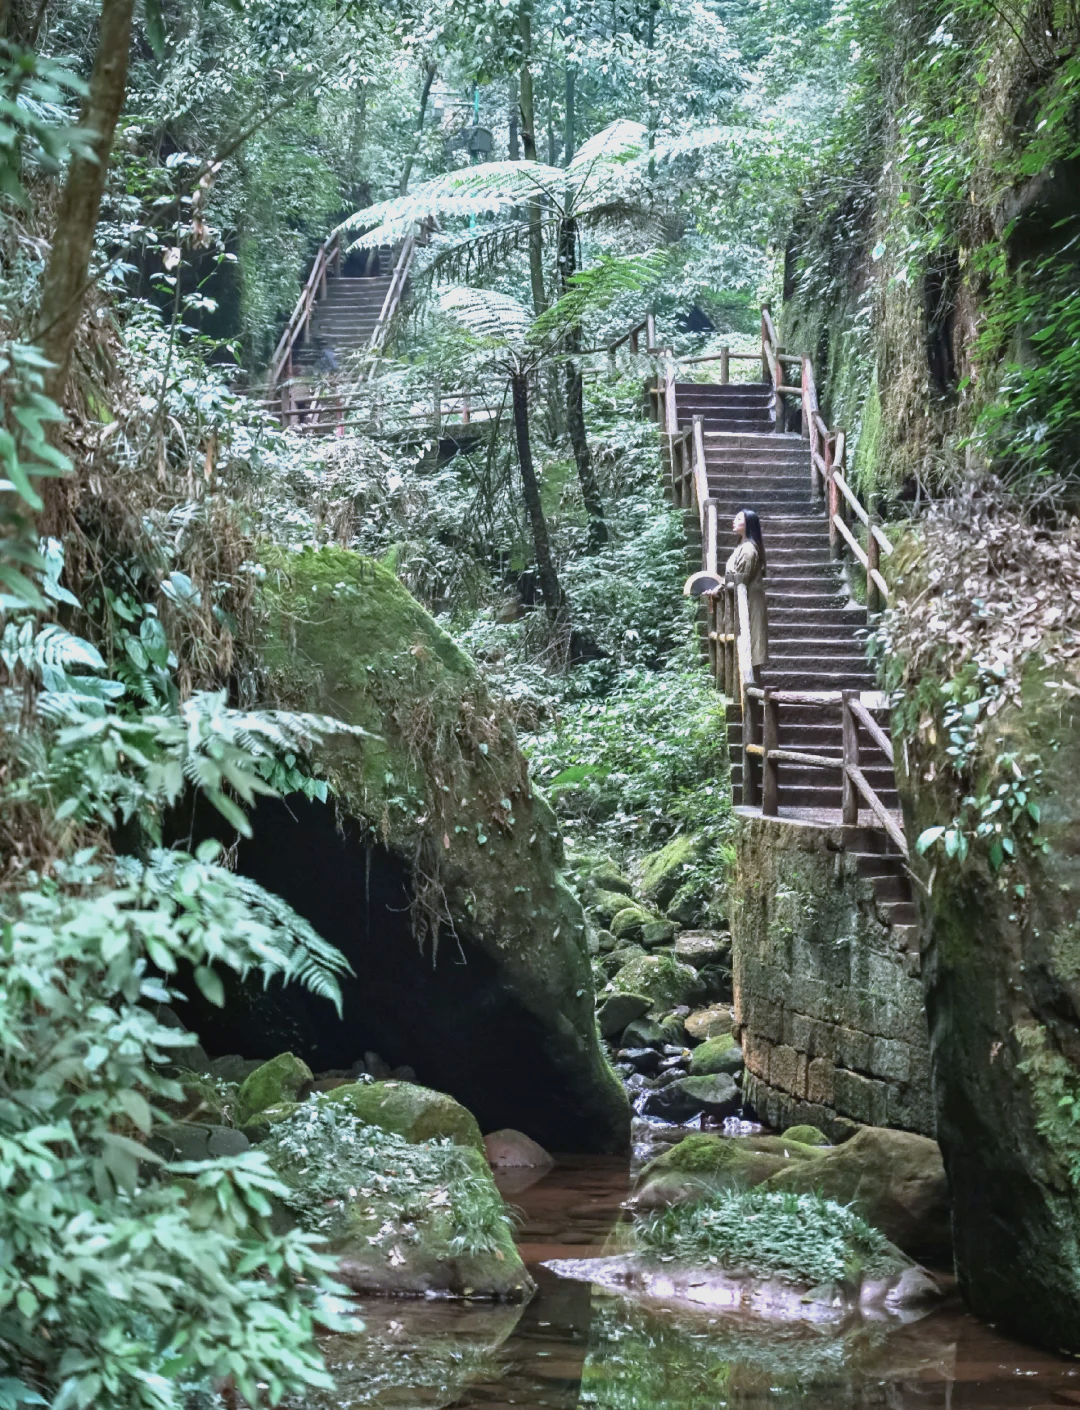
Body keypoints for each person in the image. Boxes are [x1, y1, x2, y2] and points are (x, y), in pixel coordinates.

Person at [727, 508, 768, 677]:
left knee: (751, 643)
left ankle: (752, 689)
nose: (734, 521)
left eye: (738, 519)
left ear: (748, 524)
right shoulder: (742, 547)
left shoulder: (749, 550)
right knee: (746, 642)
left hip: (749, 601)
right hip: (744, 599)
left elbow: (741, 579)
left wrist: (721, 588)